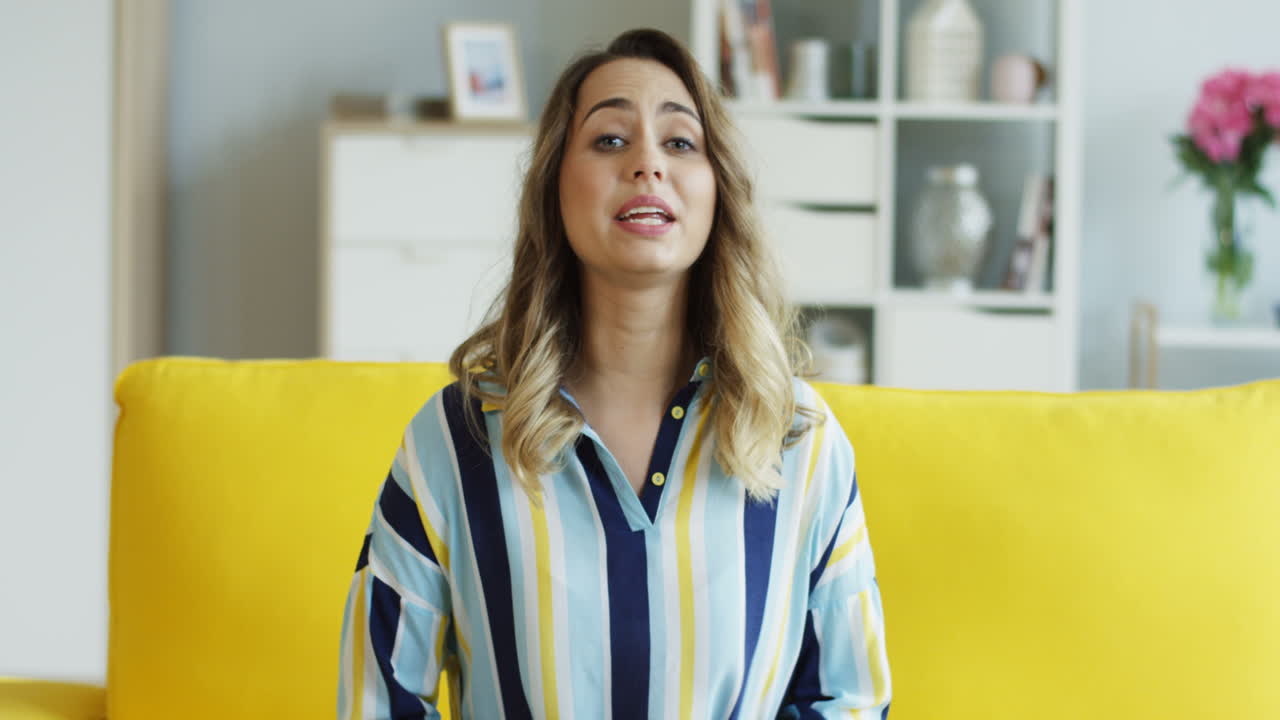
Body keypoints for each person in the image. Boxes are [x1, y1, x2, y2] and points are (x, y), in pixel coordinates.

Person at [336, 27, 891, 719]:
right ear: (553, 187)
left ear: (717, 190)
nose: (648, 163)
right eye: (609, 139)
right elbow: (378, 699)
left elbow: (850, 701)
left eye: (680, 142)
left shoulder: (801, 439)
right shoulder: (452, 442)